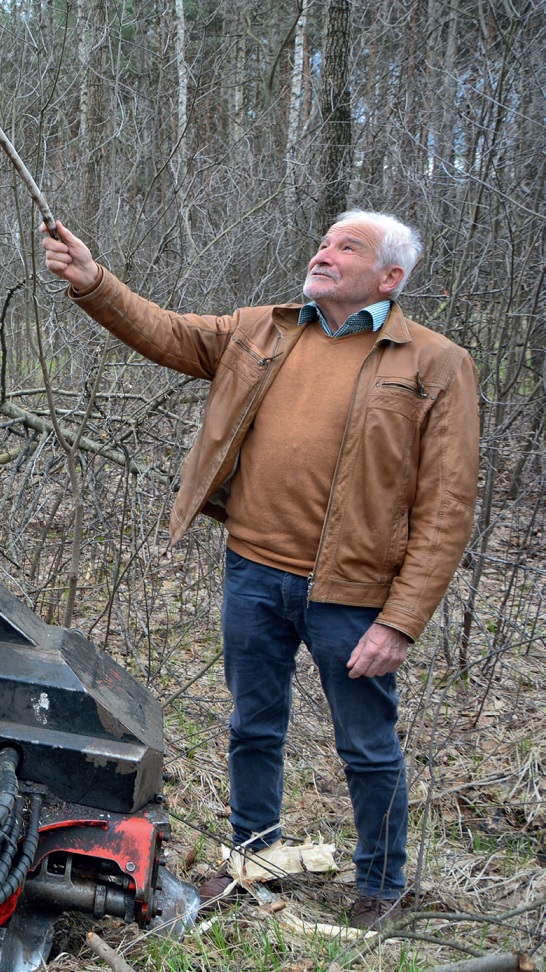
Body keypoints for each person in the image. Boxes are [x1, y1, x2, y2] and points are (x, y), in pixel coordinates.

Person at [41, 211, 479, 929]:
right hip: (253, 573)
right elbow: (169, 333)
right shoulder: (264, 330)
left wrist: (401, 621)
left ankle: (382, 887)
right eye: (325, 242)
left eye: (347, 248)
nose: (324, 254)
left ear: (390, 278)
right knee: (253, 728)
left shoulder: (434, 363)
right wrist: (95, 282)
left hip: (354, 595)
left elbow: (448, 505)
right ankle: (253, 862)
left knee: (367, 748)